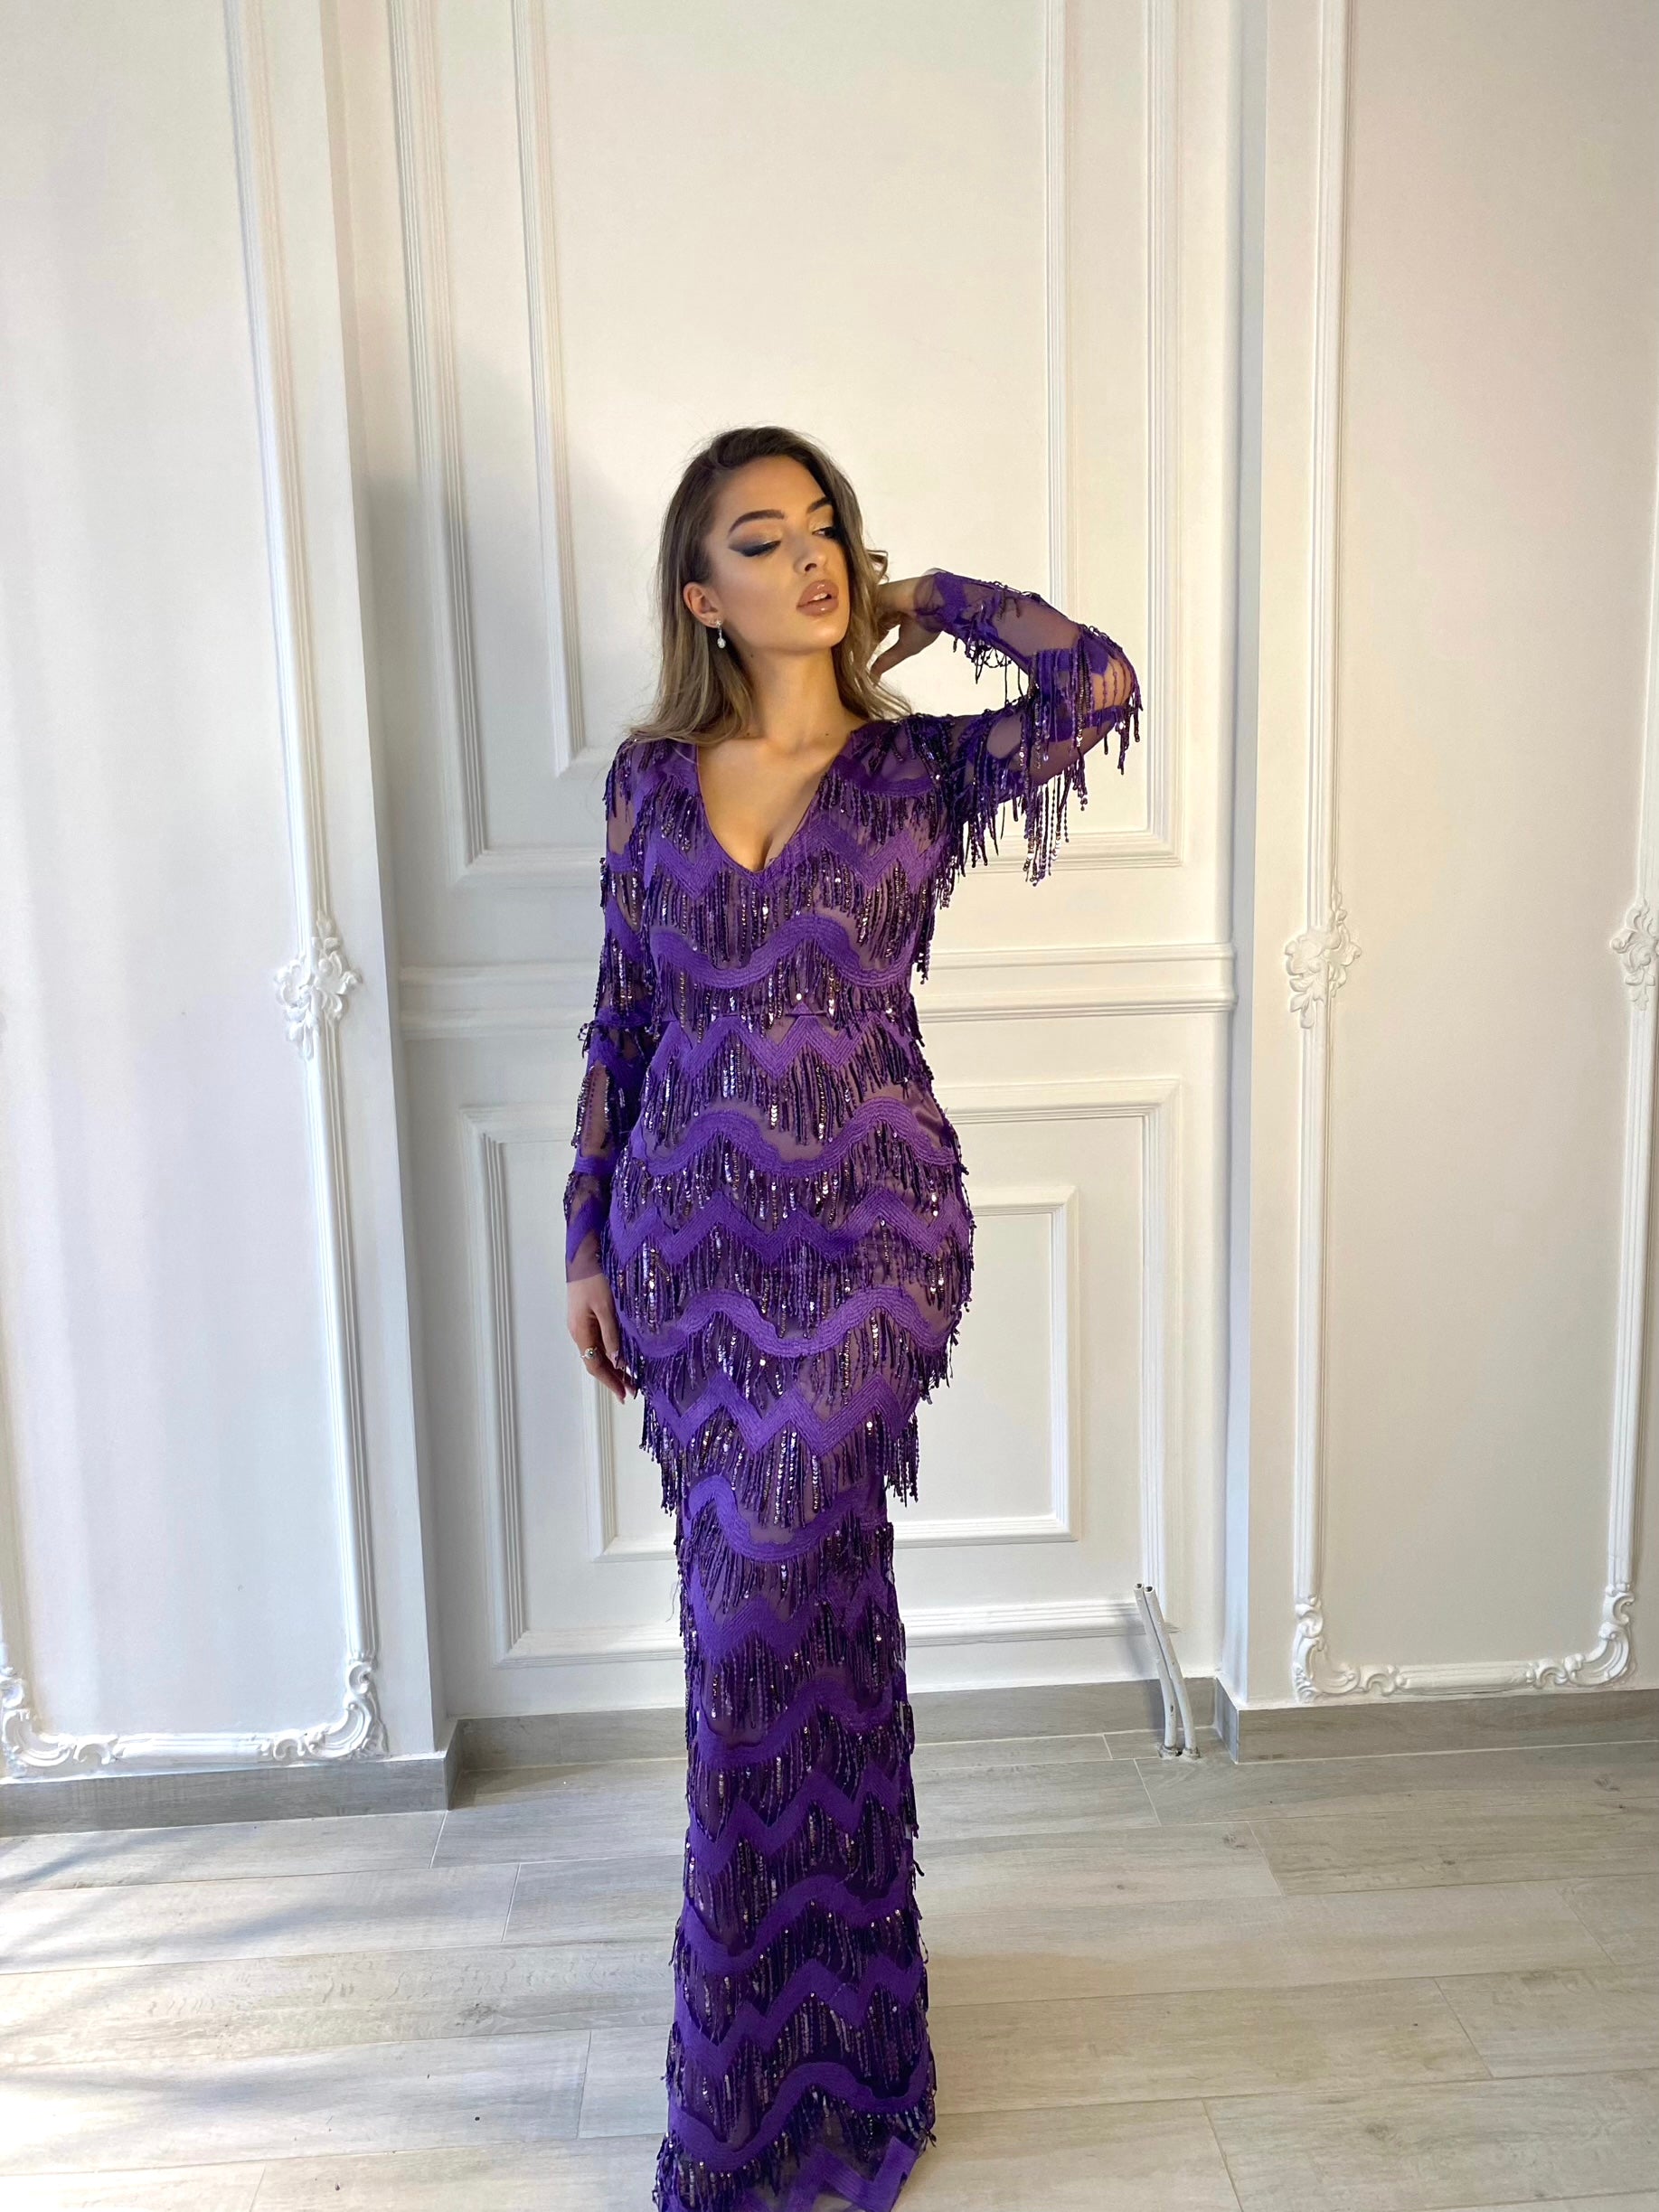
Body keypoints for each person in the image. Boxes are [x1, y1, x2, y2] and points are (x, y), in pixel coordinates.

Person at [563, 424, 1142, 2212]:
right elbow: (624, 1019)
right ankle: (832, 2048)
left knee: (765, 1628)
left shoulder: (914, 772)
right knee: (780, 1642)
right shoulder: (651, 785)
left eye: (825, 530)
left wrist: (930, 596)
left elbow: (1099, 684)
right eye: (763, 539)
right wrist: (585, 1236)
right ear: (700, 597)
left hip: (869, 1257)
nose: (809, 558)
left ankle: (766, 2099)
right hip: (691, 1262)